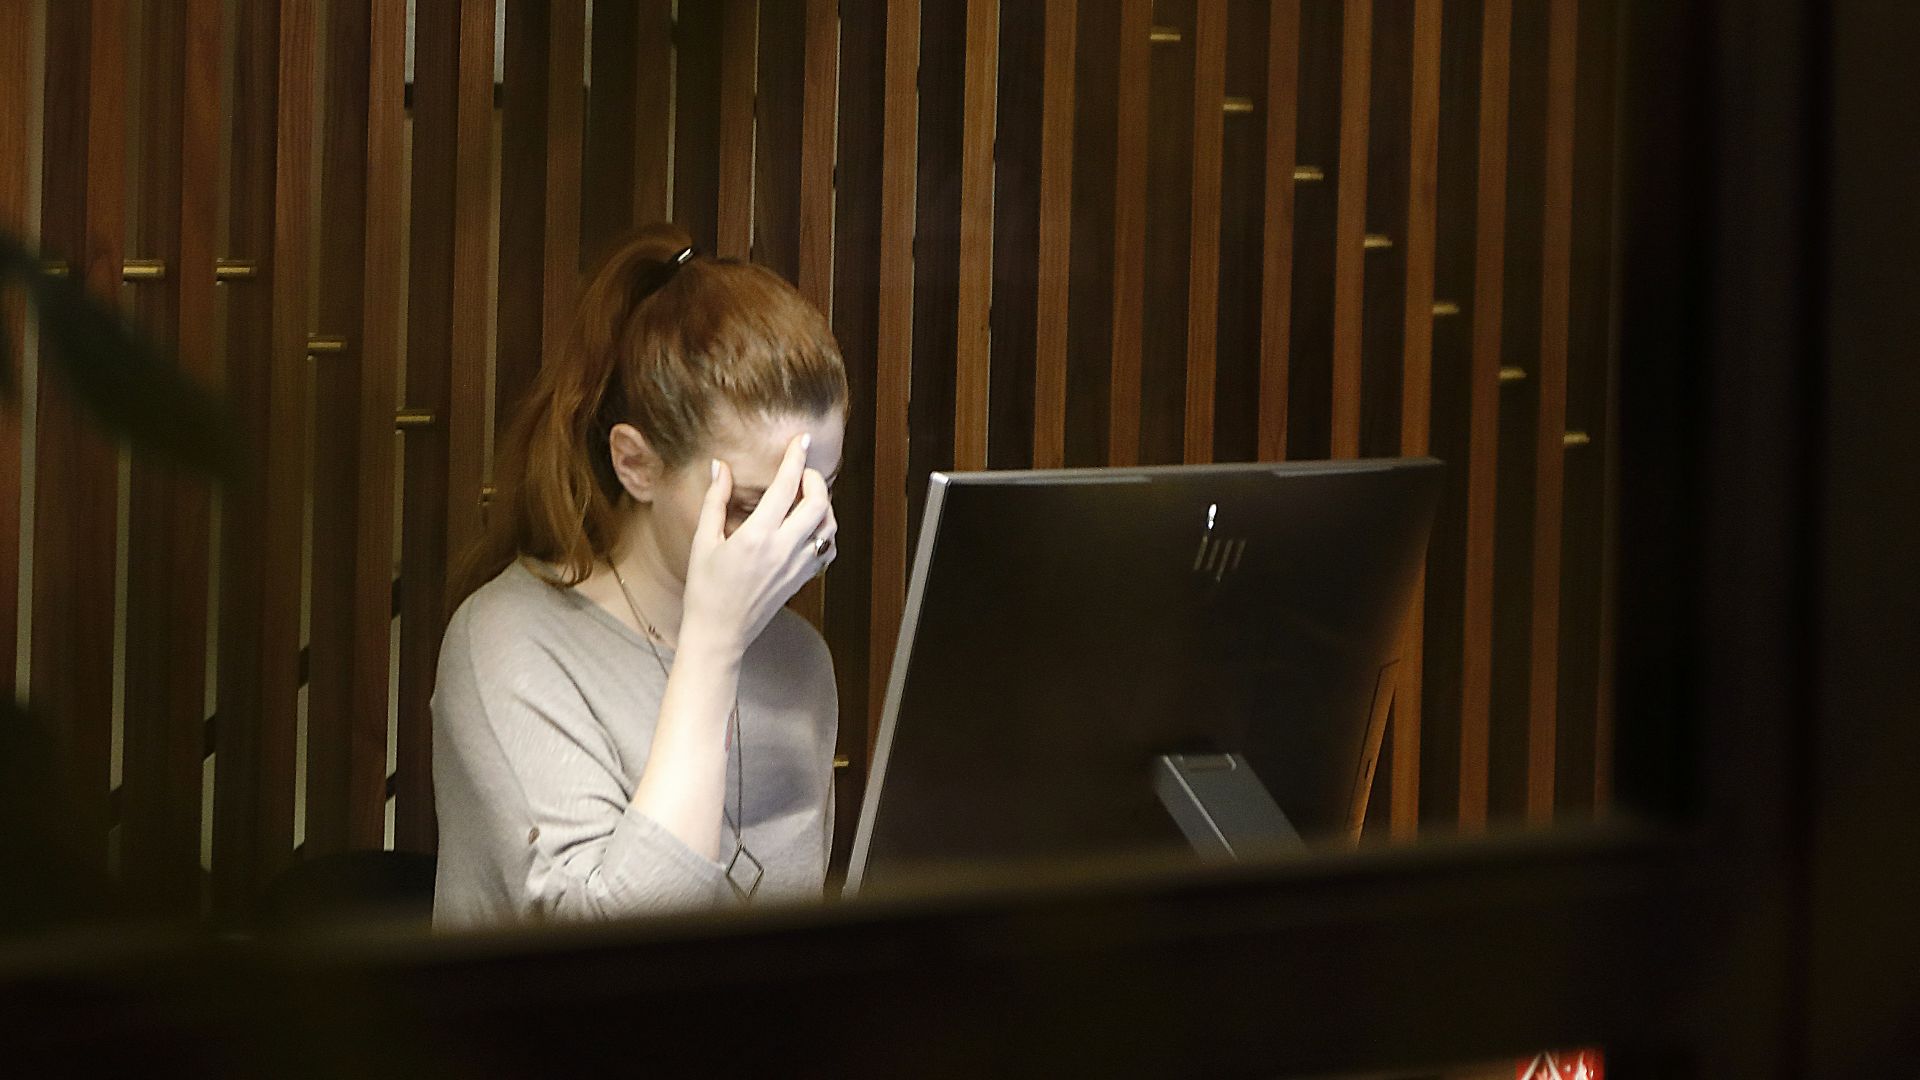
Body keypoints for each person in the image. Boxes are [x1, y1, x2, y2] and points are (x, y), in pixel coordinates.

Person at [431, 223, 847, 929]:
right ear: (637, 464)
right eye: (751, 504)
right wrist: (713, 648)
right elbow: (615, 962)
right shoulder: (505, 643)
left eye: (819, 492)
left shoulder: (798, 660)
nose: (796, 533)